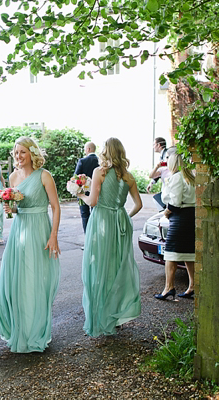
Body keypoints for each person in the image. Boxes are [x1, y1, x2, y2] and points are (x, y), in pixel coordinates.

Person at [0, 136, 61, 353]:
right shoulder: (13, 177)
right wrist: (9, 209)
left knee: (36, 280)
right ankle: (20, 328)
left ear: (32, 153)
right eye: (16, 152)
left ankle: (36, 330)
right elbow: (15, 210)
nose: (18, 156)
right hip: (19, 232)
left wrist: (53, 236)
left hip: (39, 231)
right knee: (18, 281)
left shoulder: (44, 176)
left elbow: (56, 207)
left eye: (22, 152)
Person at [77, 138, 143, 337]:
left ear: (106, 151)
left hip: (101, 222)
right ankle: (114, 316)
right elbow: (138, 204)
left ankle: (100, 315)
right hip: (119, 222)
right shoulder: (129, 176)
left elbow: (93, 201)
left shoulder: (100, 172)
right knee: (116, 268)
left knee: (98, 267)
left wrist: (80, 195)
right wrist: (123, 216)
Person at [154, 152, 196, 300]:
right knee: (189, 253)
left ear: (173, 163)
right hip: (192, 216)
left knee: (170, 254)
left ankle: (168, 288)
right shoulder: (193, 176)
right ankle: (192, 286)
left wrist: (166, 212)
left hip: (180, 218)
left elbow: (175, 203)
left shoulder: (177, 177)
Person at [74, 141, 100, 233]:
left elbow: (75, 177)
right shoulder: (100, 161)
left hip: (83, 193)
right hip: (97, 193)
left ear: (88, 149)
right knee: (95, 215)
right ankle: (96, 237)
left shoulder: (82, 161)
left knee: (85, 215)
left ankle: (88, 239)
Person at [146, 137, 169, 210]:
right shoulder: (162, 155)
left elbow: (164, 169)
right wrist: (152, 182)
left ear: (158, 145)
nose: (153, 147)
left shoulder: (167, 154)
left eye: (154, 144)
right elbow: (161, 171)